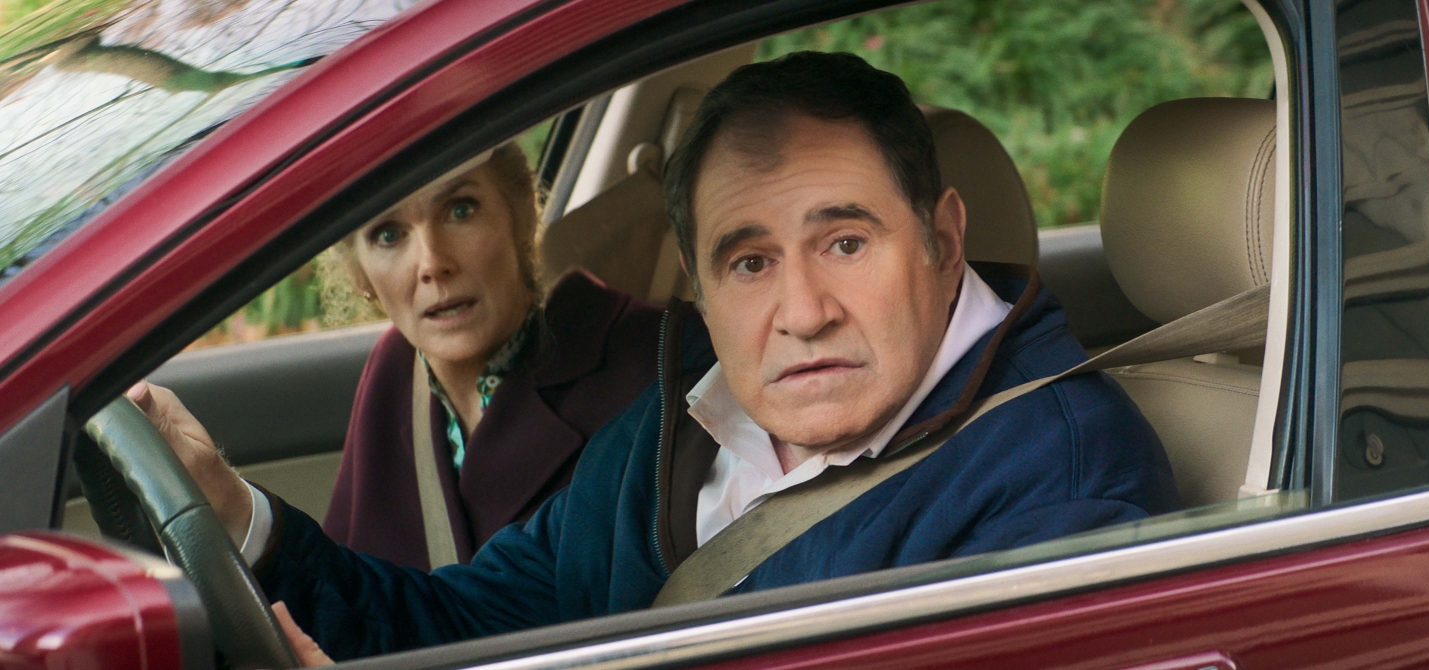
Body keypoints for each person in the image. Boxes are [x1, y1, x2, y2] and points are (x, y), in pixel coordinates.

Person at [130, 51, 1180, 662]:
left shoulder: (1057, 477)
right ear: (701, 283)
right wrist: (239, 519)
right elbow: (474, 624)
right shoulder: (673, 428)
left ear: (944, 239)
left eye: (845, 243)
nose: (802, 313)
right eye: (749, 262)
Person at [314, 143, 661, 570]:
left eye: (460, 210)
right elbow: (342, 583)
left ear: (521, 215)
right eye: (388, 234)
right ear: (361, 275)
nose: (432, 263)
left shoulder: (649, 361)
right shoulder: (393, 368)